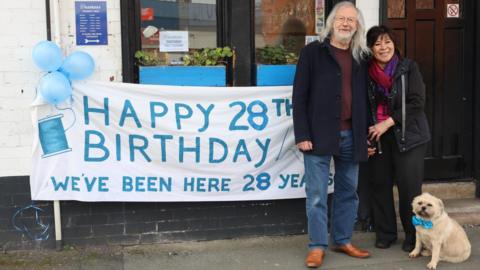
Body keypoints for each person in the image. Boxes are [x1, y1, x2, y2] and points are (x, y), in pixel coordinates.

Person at [292, 1, 371, 268]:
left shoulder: (362, 56)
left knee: (349, 192)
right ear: (332, 22)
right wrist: (302, 133)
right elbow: (299, 96)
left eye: (351, 19)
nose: (346, 23)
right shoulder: (312, 52)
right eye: (341, 18)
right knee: (316, 195)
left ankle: (342, 239)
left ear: (357, 25)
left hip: (353, 134)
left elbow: (367, 100)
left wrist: (367, 136)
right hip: (318, 134)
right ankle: (317, 246)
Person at [365, 25, 430, 252]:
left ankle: (415, 237)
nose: (383, 47)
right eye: (377, 43)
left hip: (409, 136)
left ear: (394, 44)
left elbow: (417, 103)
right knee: (380, 185)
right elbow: (362, 106)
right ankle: (385, 233)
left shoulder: (408, 68)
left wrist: (388, 122)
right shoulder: (365, 72)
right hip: (379, 137)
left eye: (387, 42)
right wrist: (367, 135)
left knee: (410, 190)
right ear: (371, 48)